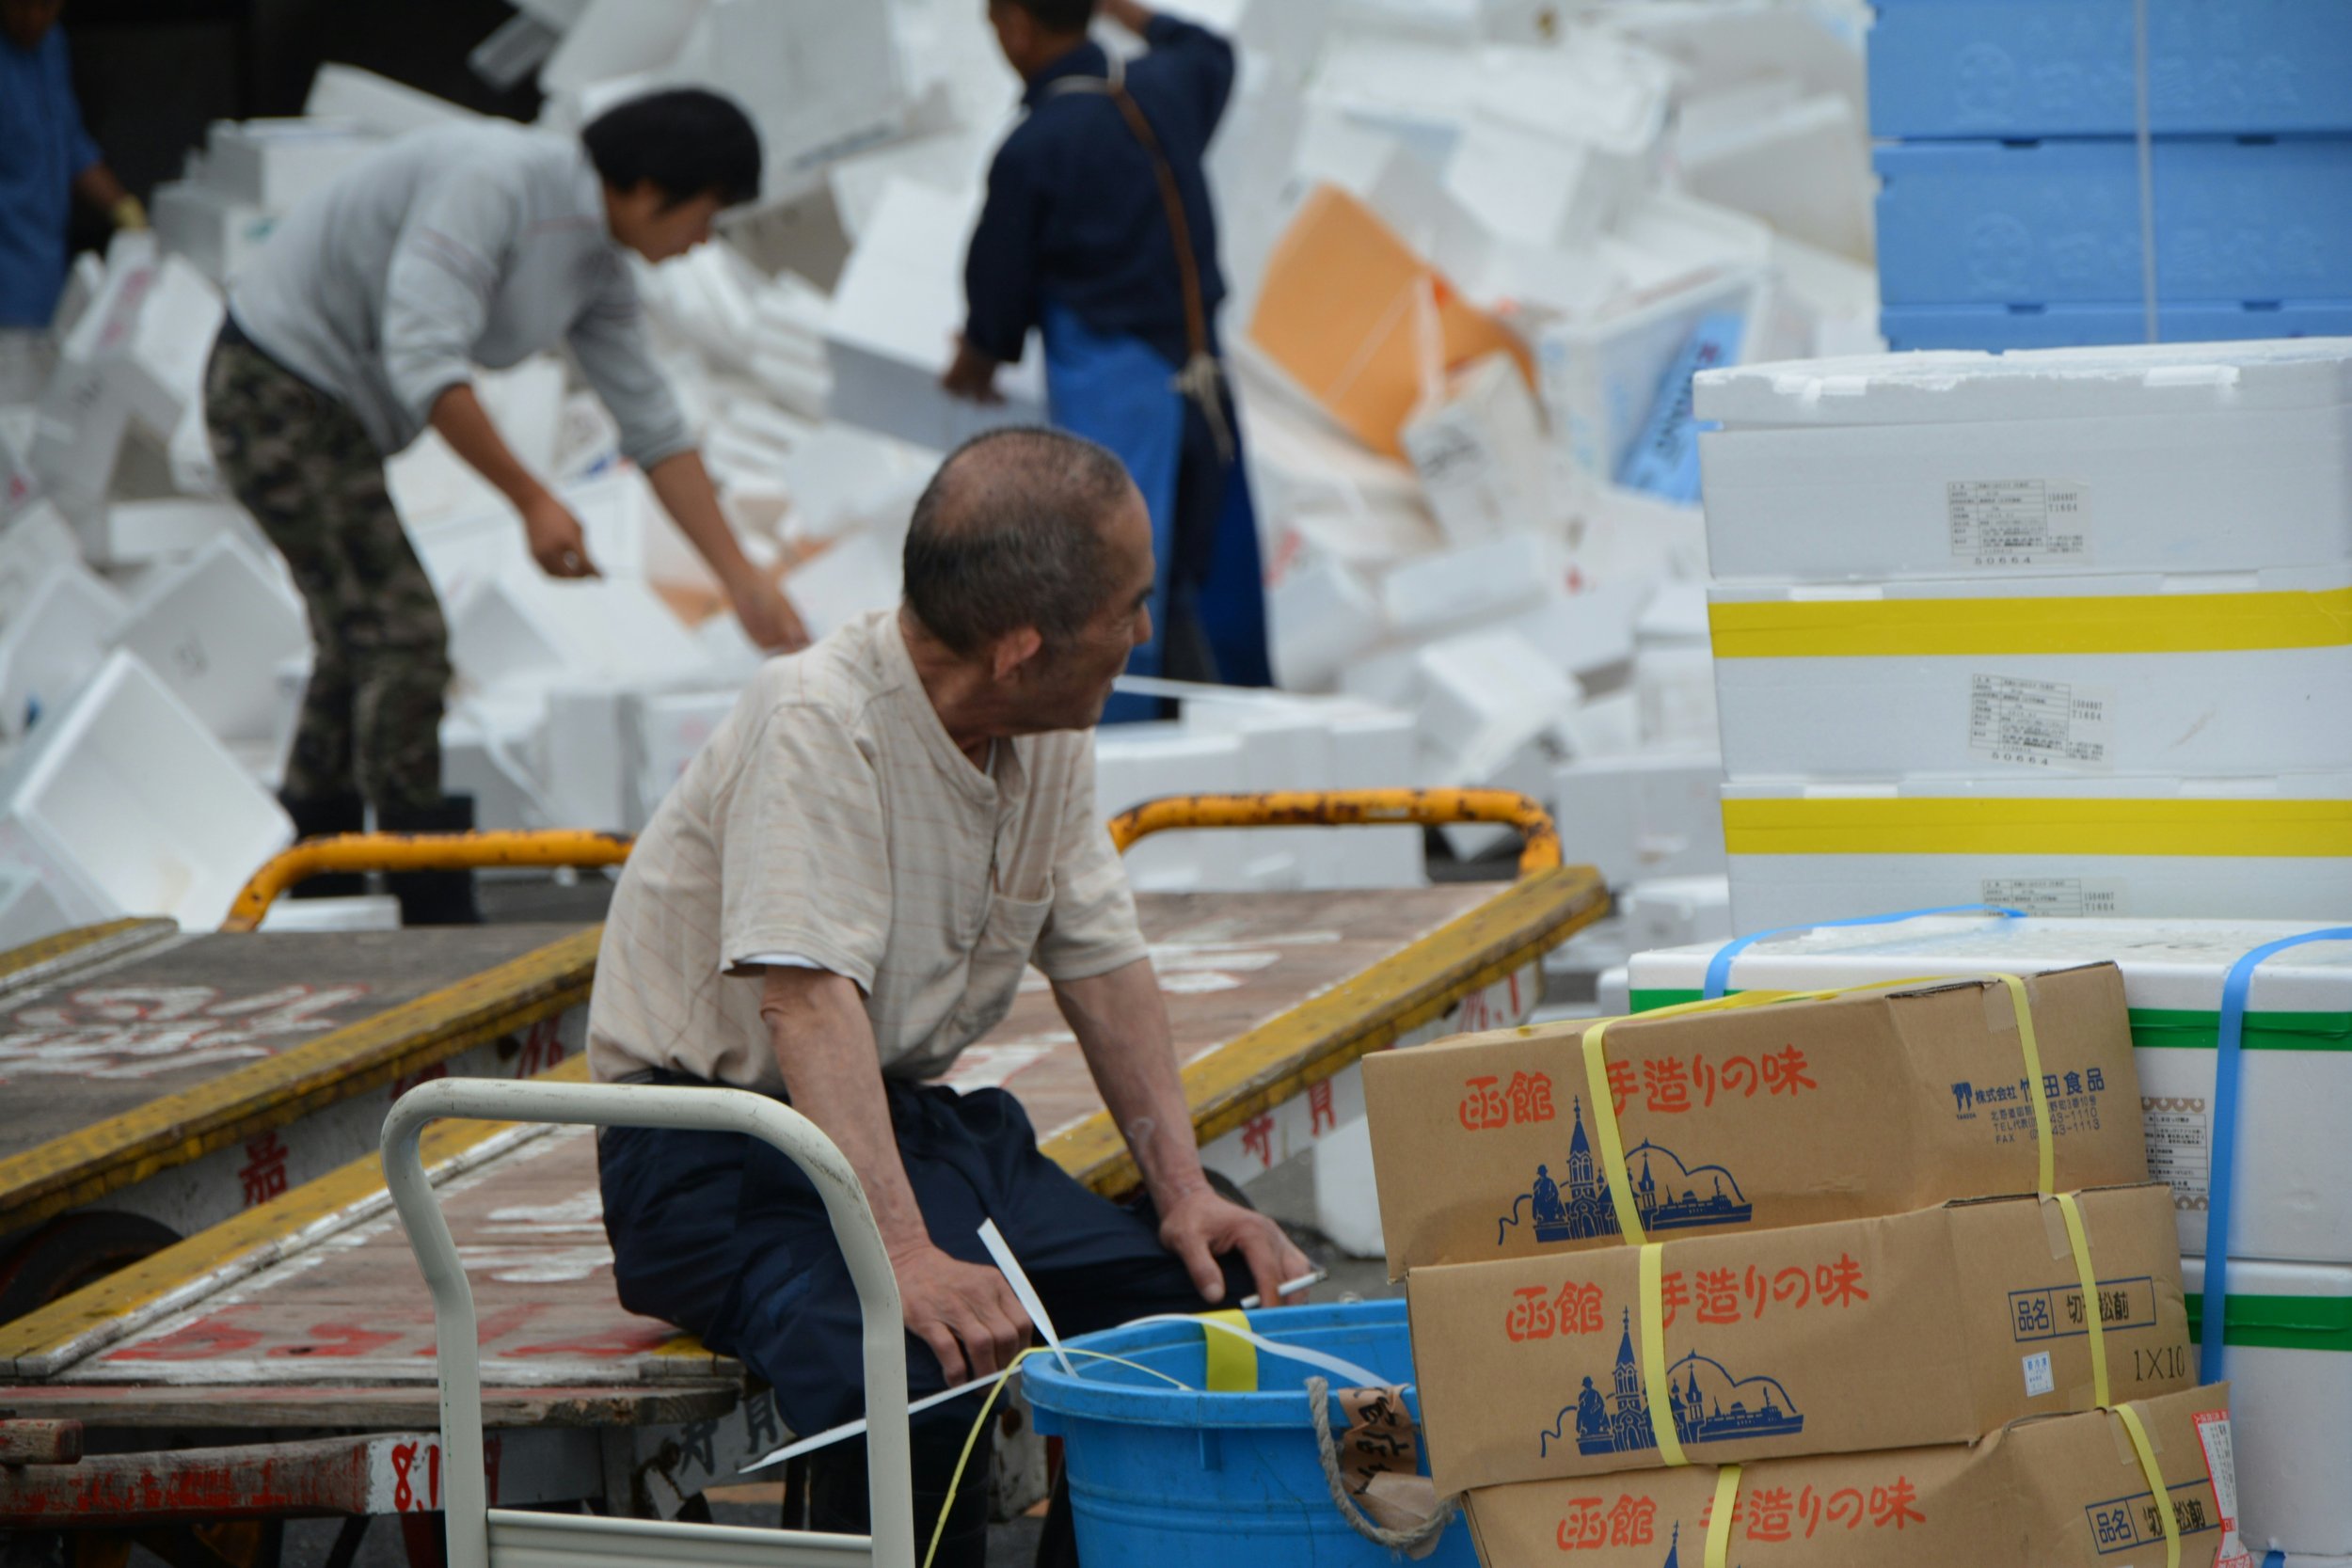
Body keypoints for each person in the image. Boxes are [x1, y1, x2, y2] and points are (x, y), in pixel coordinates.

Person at [591, 427, 1310, 1567]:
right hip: (715, 1158)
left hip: (888, 1119)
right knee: (918, 1360)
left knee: (1192, 1290)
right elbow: (807, 1003)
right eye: (1128, 608)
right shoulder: (819, 718)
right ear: (1023, 645)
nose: (1139, 631)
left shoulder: (1040, 721)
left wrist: (1182, 1189)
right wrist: (907, 1255)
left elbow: (1101, 958)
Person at [203, 90, 806, 924]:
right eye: (706, 215)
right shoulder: (498, 184)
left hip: (335, 412)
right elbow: (425, 355)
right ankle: (427, 904)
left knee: (357, 640)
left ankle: (321, 887)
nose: (703, 240)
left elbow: (654, 423)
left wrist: (742, 579)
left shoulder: (598, 260)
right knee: (405, 634)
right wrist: (533, 499)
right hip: (273, 386)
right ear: (649, 189)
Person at [945, 0, 1269, 721]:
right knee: (1206, 561)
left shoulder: (1034, 148)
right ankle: (1247, 736)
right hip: (1202, 376)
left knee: (1108, 579)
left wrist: (975, 361)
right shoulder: (1166, 87)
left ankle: (1128, 753)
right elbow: (1209, 48)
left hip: (1118, 390)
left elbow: (995, 297)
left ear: (1017, 27)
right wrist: (1124, 8)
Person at [1, 0, 142, 388]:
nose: (33, 19)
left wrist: (125, 209)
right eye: (22, 8)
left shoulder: (51, 45)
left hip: (47, 276)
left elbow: (70, 144)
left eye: (46, 8)